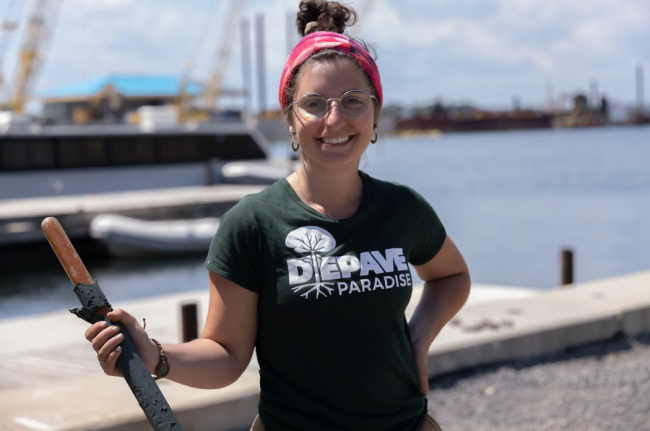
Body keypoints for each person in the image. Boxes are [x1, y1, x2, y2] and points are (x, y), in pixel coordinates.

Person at [85, 1, 471, 430]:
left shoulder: (403, 209)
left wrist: (419, 338)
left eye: (353, 101)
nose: (335, 118)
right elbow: (227, 356)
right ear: (289, 119)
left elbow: (451, 277)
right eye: (314, 103)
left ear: (376, 114)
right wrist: (154, 355)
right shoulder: (251, 224)